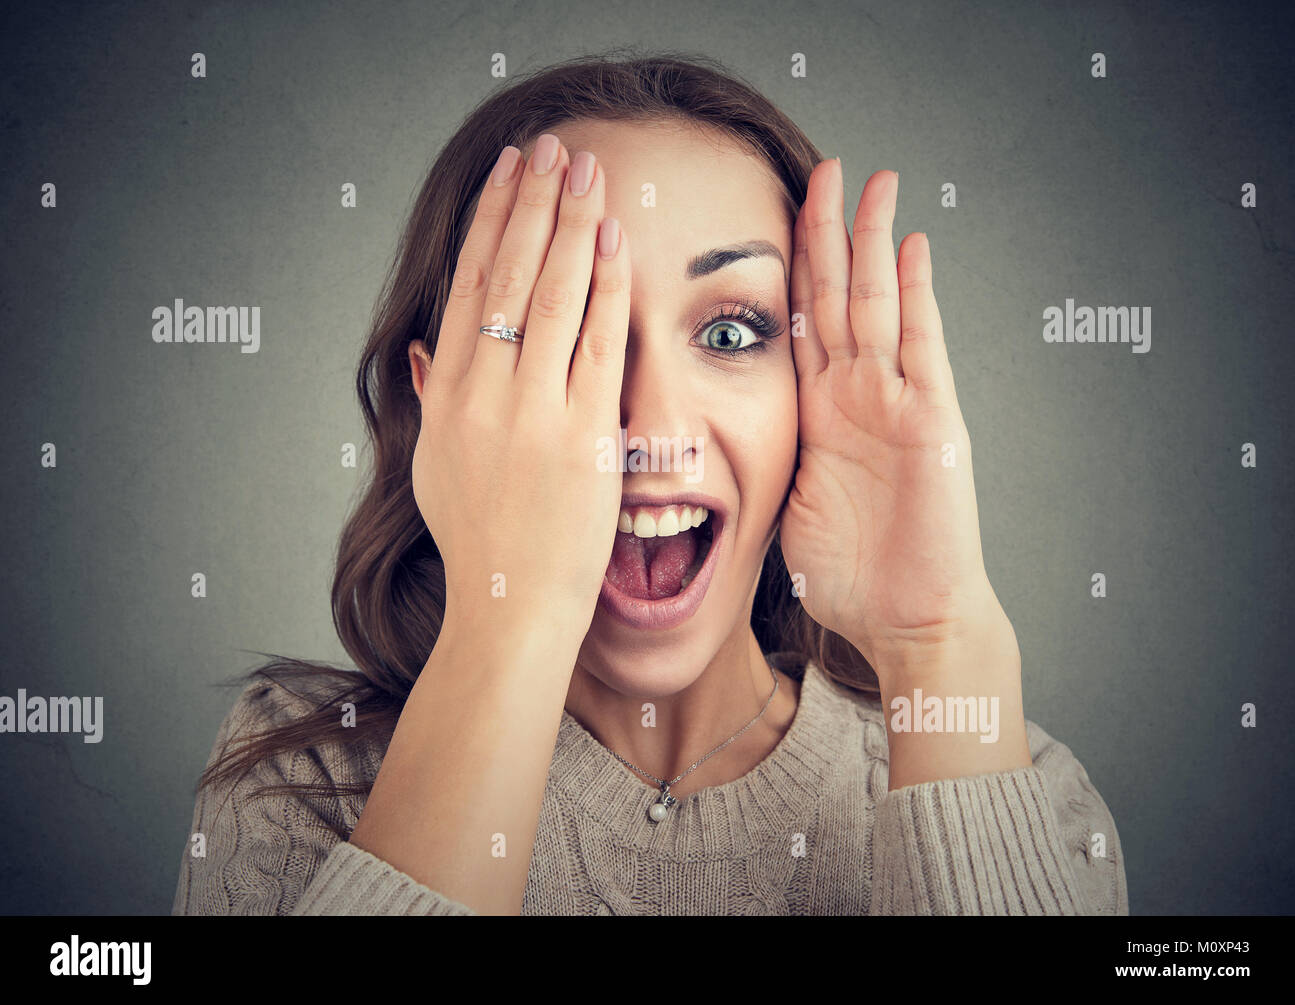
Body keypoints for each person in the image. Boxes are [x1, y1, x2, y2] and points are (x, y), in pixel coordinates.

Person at [173, 52, 1127, 916]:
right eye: (572, 335)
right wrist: (509, 620)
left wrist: (938, 644)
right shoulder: (302, 777)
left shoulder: (1026, 791)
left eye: (731, 332)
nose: (655, 431)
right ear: (445, 413)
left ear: (812, 394)